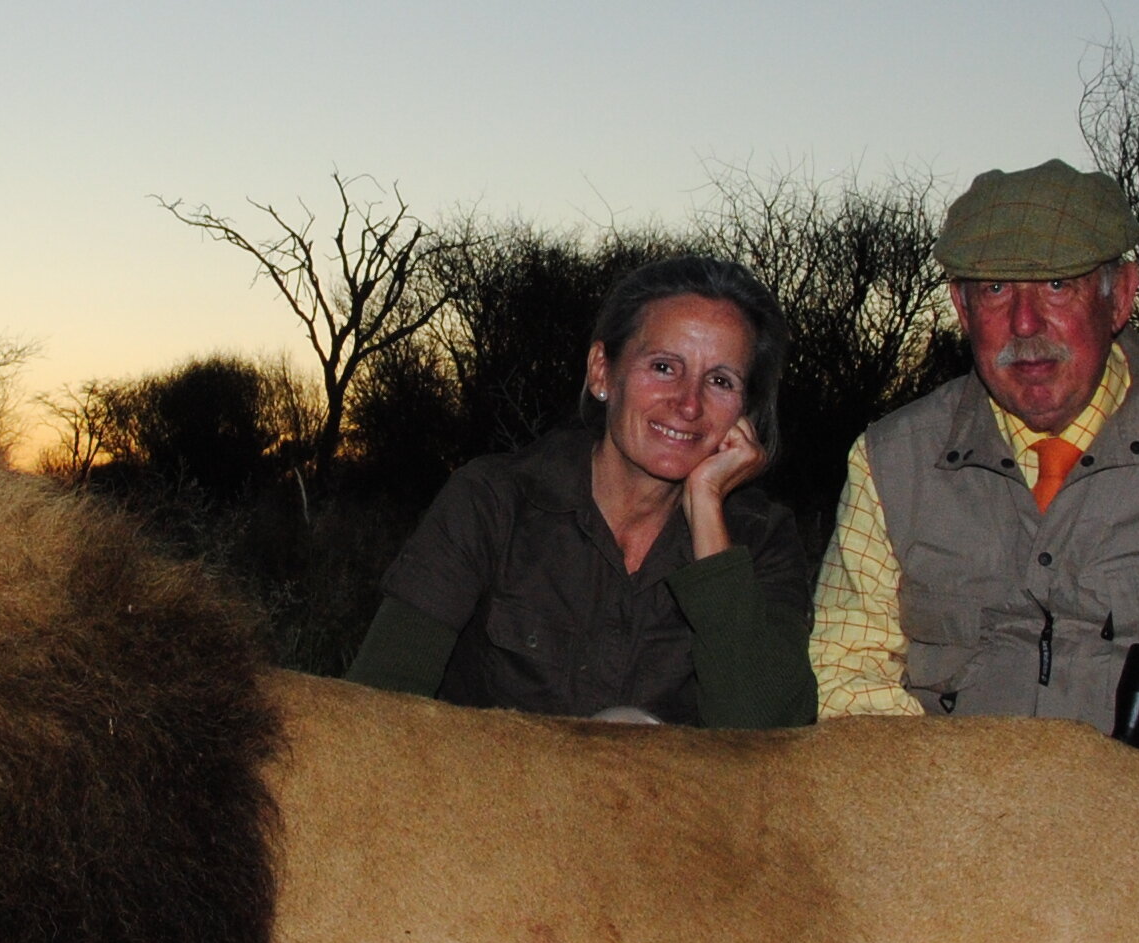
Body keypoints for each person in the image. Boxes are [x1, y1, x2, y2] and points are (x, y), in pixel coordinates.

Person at [807, 161, 1139, 810]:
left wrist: (1126, 810)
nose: (1025, 324)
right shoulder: (887, 457)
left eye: (1058, 284)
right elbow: (846, 669)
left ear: (1120, 297)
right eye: (997, 288)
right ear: (960, 307)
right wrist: (941, 810)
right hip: (944, 826)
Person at [346, 253, 817, 727]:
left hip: (670, 799)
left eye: (719, 380)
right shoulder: (491, 500)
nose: (689, 405)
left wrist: (710, 518)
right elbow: (376, 705)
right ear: (601, 372)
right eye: (663, 367)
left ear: (745, 411)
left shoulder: (761, 539)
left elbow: (772, 743)